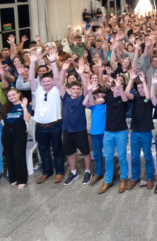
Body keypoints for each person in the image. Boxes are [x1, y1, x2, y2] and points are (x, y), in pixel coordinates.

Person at [28, 48, 64, 184]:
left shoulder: (56, 90)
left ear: (53, 82)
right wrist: (32, 63)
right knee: (43, 151)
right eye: (44, 81)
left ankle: (59, 172)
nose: (47, 83)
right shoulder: (37, 90)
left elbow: (56, 76)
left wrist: (53, 61)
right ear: (41, 82)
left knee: (57, 150)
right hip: (40, 127)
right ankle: (47, 172)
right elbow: (31, 78)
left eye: (49, 81)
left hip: (55, 125)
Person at [92, 74, 130, 194]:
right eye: (116, 88)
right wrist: (89, 92)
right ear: (112, 88)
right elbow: (93, 103)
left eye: (121, 88)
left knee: (122, 156)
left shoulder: (124, 98)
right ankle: (108, 180)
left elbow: (124, 99)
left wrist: (120, 87)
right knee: (108, 157)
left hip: (121, 132)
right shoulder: (108, 97)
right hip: (108, 132)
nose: (119, 90)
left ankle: (124, 178)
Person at [57, 58, 92, 186]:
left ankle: (88, 171)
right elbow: (60, 83)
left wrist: (82, 73)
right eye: (73, 89)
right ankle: (73, 172)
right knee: (70, 152)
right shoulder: (65, 97)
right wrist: (64, 70)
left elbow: (87, 88)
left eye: (78, 89)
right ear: (70, 89)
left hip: (80, 130)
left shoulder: (83, 97)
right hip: (67, 130)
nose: (76, 91)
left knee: (86, 152)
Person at [126, 69, 156, 190]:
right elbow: (127, 93)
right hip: (135, 131)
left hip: (146, 132)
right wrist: (132, 79)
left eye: (142, 87)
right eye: (138, 88)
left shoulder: (150, 98)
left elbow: (149, 96)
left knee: (147, 156)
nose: (140, 90)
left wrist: (144, 81)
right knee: (134, 157)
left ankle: (149, 178)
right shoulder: (136, 97)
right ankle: (135, 178)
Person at [1, 88, 32, 189]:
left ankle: (22, 179)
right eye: (9, 96)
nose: (11, 97)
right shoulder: (6, 107)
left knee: (19, 155)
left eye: (13, 95)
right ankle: (13, 177)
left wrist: (24, 108)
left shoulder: (25, 105)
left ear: (19, 94)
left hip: (19, 131)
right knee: (9, 155)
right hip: (7, 132)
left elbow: (26, 119)